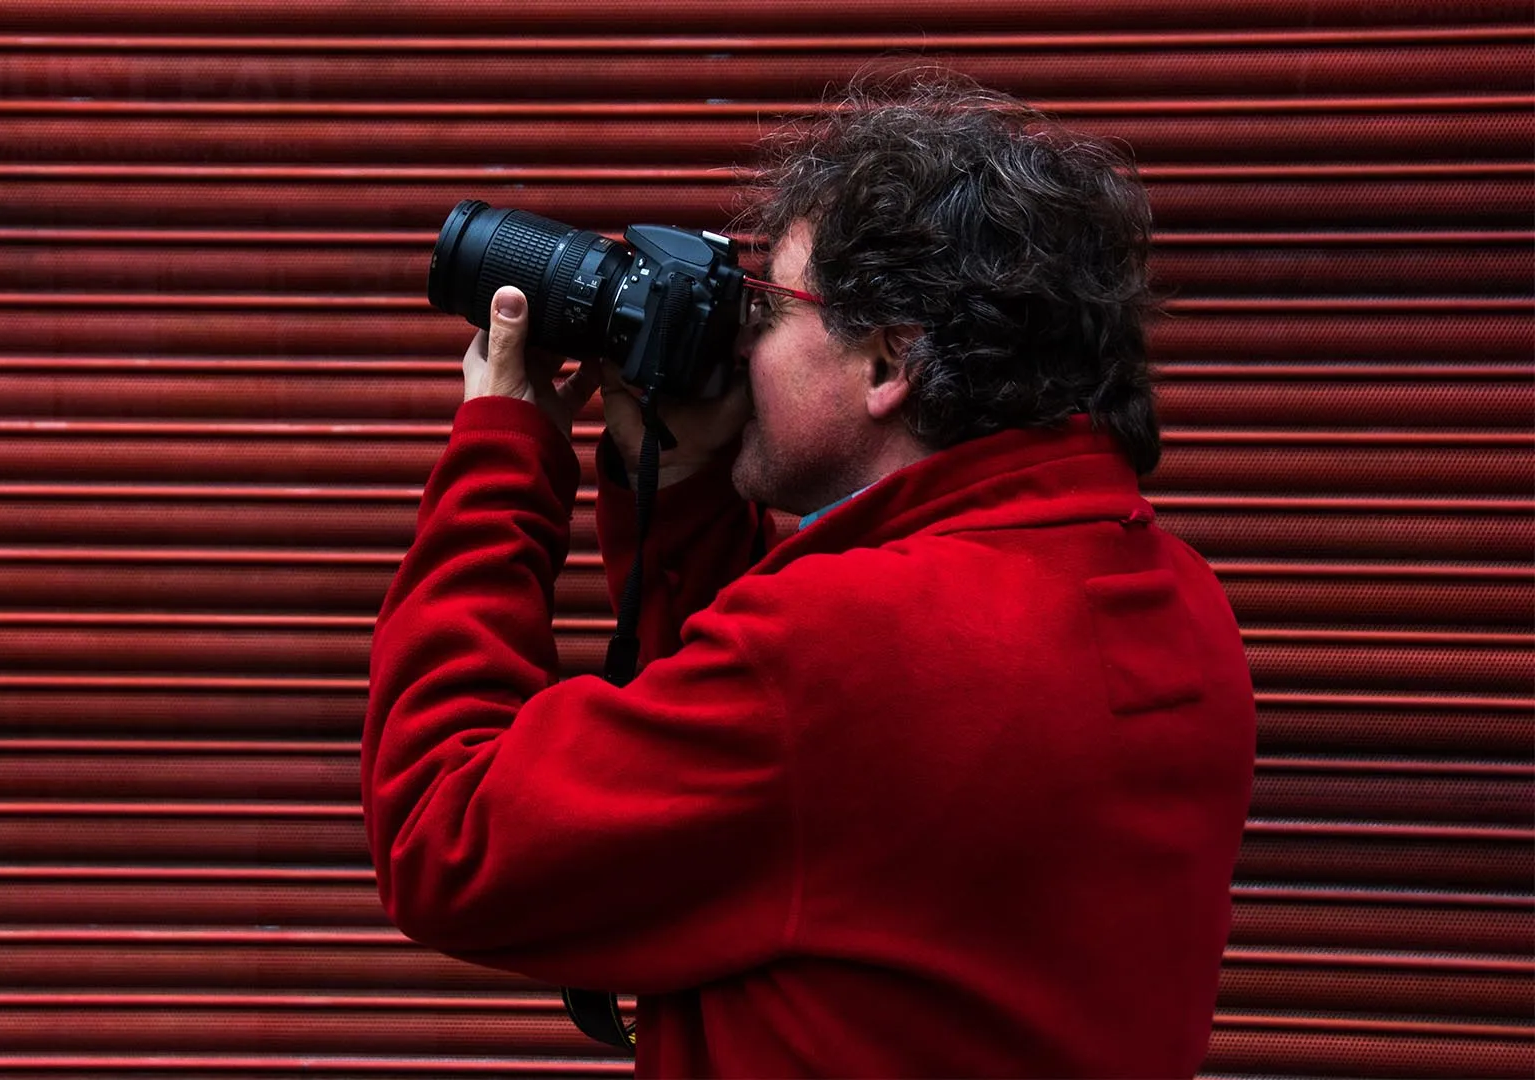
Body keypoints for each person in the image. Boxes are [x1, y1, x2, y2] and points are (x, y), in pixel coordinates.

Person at [362, 76, 1256, 1078]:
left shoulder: (856, 650)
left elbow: (448, 836)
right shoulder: (1172, 596)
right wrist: (686, 485)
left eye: (769, 307)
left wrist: (502, 451)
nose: (740, 342)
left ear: (890, 363)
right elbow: (789, 811)